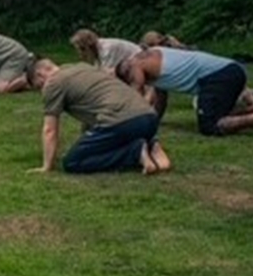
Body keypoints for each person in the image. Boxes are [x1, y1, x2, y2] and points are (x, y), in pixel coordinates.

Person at [29, 58, 170, 175]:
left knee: (73, 162)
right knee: (102, 143)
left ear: (41, 74)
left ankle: (135, 152)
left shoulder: (54, 83)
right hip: (149, 117)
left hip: (121, 121)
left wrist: (46, 166)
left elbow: (50, 130)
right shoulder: (82, 67)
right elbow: (93, 107)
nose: (42, 90)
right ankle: (152, 144)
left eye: (39, 86)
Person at [117, 47, 253, 136]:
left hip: (217, 76)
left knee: (209, 126)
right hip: (231, 70)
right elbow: (161, 100)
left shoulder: (135, 64)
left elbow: (136, 92)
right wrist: (154, 121)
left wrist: (126, 122)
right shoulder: (153, 58)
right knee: (223, 115)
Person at [70, 29, 142, 74]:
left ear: (88, 46)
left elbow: (105, 72)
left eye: (82, 49)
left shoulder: (107, 49)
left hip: (139, 60)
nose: (80, 53)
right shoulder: (98, 49)